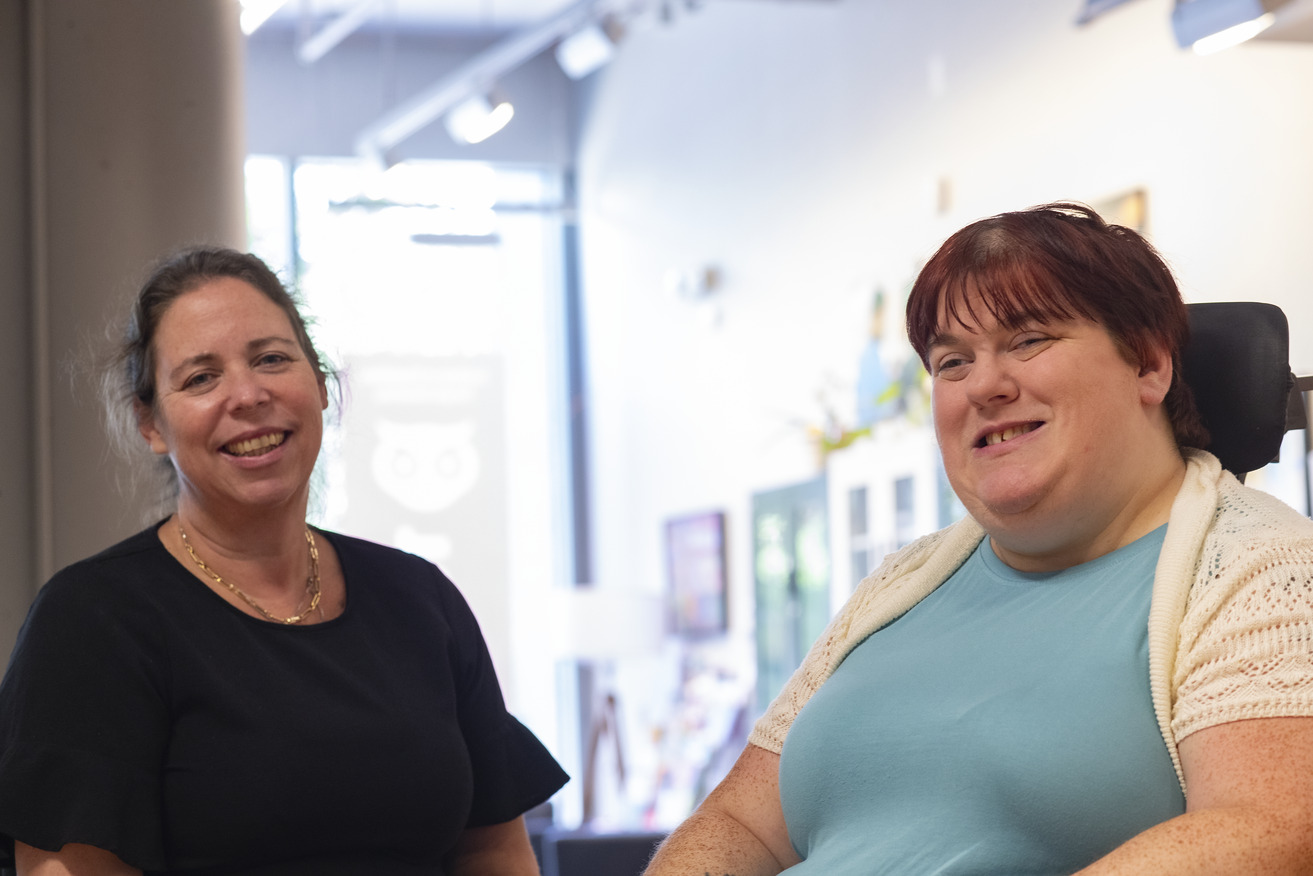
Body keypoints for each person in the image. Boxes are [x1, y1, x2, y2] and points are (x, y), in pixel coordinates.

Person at [644, 203, 1313, 875]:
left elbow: (1269, 832)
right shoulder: (900, 583)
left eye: (1027, 342)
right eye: (952, 362)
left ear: (1146, 363)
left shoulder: (1262, 568)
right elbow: (740, 825)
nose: (984, 387)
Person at [0, 247, 567, 875]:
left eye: (271, 359)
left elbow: (495, 850)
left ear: (320, 386)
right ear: (150, 424)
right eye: (200, 377)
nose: (247, 394)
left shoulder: (420, 598)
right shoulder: (93, 620)